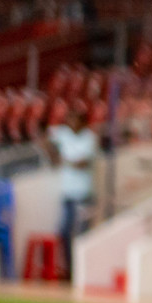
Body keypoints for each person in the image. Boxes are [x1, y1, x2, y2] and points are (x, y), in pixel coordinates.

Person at [44, 106, 99, 281]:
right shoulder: (63, 134)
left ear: (83, 122)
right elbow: (43, 139)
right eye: (69, 119)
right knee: (64, 232)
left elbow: (81, 164)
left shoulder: (90, 138)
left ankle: (83, 272)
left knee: (83, 234)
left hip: (84, 195)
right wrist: (54, 155)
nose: (72, 123)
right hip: (67, 195)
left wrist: (63, 159)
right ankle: (70, 271)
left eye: (76, 119)